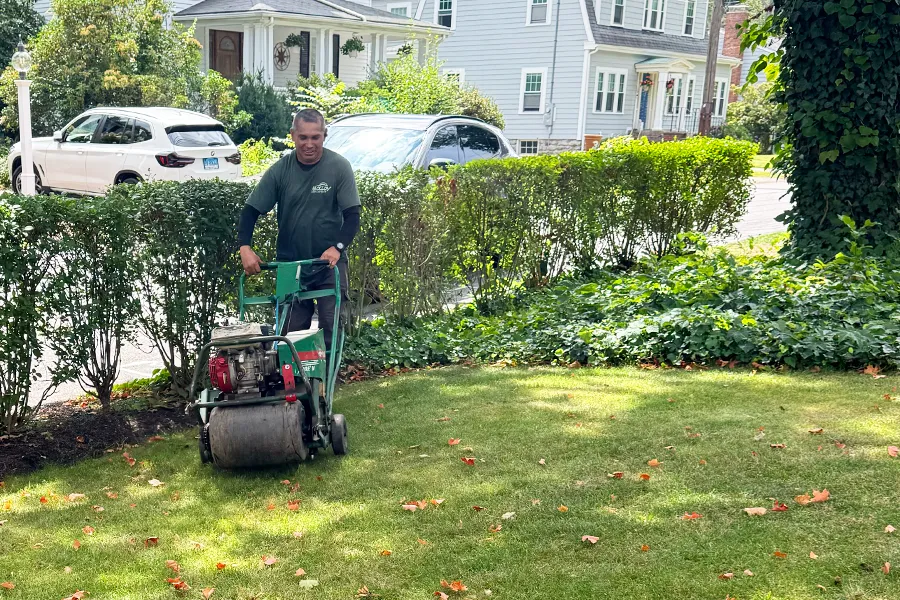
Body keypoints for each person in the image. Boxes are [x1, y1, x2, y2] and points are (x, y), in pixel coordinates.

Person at [237, 108, 361, 357]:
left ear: (324, 136)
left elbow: (353, 215)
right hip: (291, 266)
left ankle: (325, 387)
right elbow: (250, 210)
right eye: (303, 137)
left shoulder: (338, 167)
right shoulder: (280, 170)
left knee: (331, 328)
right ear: (293, 135)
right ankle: (295, 386)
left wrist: (337, 247)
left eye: (315, 137)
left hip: (329, 265)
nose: (309, 144)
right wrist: (245, 247)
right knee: (289, 334)